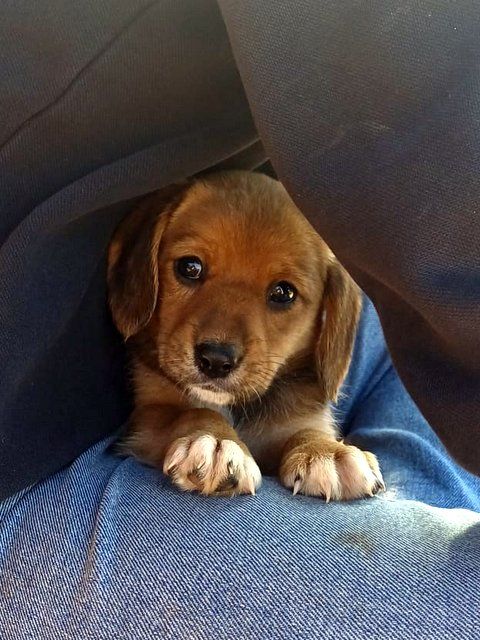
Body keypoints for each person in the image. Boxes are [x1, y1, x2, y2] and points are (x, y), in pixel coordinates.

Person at [0, 2, 479, 637]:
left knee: (398, 391)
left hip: (307, 338)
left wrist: (310, 445)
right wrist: (197, 423)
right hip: (35, 473)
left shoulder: (330, 304)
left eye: (280, 293)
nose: (219, 340)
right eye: (191, 270)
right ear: (148, 264)